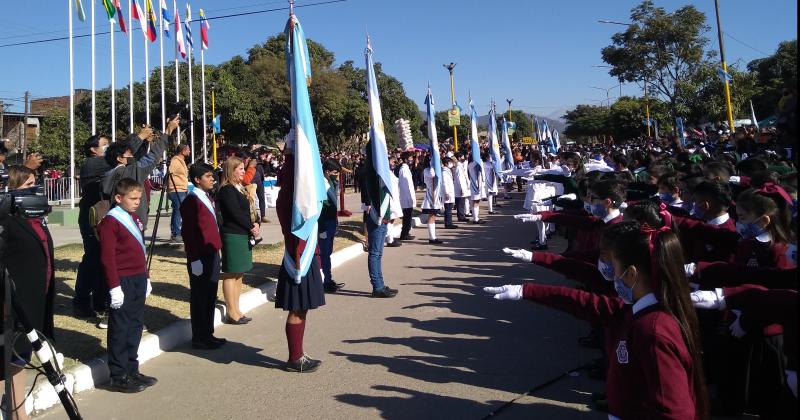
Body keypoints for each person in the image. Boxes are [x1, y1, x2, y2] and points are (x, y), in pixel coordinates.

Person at [485, 221, 709, 419]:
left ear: (631, 274)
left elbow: (675, 412)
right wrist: (525, 291)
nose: (612, 275)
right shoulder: (637, 312)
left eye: (616, 267)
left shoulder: (653, 330)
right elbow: (583, 302)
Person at [0, 166, 56, 420]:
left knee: (20, 358)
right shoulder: (6, 219)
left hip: (34, 301)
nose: (35, 190)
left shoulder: (34, 218)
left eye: (36, 183)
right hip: (12, 303)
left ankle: (18, 412)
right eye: (27, 186)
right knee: (6, 361)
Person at [98, 178, 157, 393]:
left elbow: (140, 249)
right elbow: (108, 258)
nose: (137, 202)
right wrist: (114, 287)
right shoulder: (111, 222)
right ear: (118, 198)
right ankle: (118, 374)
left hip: (138, 277)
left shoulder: (133, 217)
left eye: (139, 198)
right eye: (133, 198)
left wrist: (146, 276)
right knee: (120, 328)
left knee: (134, 325)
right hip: (122, 280)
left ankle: (132, 368)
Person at [274, 135, 325, 372]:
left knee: (302, 307)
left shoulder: (293, 191)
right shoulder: (291, 193)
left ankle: (298, 353)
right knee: (298, 306)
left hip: (305, 251)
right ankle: (295, 357)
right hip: (299, 254)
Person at [180, 163, 226, 350]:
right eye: (208, 176)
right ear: (197, 180)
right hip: (200, 256)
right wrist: (194, 258)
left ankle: (208, 333)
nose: (212, 179)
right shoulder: (192, 200)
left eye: (212, 176)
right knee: (200, 297)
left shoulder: (207, 197)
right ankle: (199, 336)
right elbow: (189, 232)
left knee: (210, 295)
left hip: (211, 252)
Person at [102, 120, 178, 230]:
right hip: (131, 225)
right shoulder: (129, 172)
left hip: (115, 223)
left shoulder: (107, 175)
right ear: (119, 158)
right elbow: (152, 156)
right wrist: (167, 132)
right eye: (128, 153)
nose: (132, 155)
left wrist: (145, 142)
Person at [217, 156, 259, 325]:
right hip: (233, 234)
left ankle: (237, 308)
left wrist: (255, 224)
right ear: (231, 170)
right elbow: (234, 213)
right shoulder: (227, 190)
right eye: (240, 169)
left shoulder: (239, 187)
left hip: (243, 233)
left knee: (239, 272)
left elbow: (247, 210)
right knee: (231, 272)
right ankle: (231, 311)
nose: (244, 171)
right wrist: (250, 226)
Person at [73, 134, 112, 318]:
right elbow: (115, 159)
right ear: (93, 149)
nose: (108, 147)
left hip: (106, 218)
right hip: (92, 220)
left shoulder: (108, 163)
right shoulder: (91, 163)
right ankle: (81, 301)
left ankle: (100, 302)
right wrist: (136, 139)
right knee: (92, 260)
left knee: (103, 261)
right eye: (105, 145)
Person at [319, 159, 345, 293]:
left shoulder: (330, 182)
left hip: (330, 222)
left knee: (328, 252)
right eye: (335, 173)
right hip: (323, 223)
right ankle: (326, 281)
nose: (337, 175)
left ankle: (328, 279)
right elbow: (320, 207)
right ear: (327, 171)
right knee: (324, 254)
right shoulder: (321, 185)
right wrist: (322, 228)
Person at [167, 144, 190, 243]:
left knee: (180, 211)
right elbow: (170, 173)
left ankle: (177, 232)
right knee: (178, 211)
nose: (189, 151)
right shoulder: (175, 161)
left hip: (182, 189)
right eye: (188, 149)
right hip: (176, 189)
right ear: (182, 151)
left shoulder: (182, 161)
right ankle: (176, 233)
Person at [420, 156, 444, 244]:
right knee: (431, 216)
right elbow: (432, 174)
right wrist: (432, 165)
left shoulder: (431, 169)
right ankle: (431, 238)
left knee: (433, 216)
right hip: (431, 196)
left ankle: (433, 237)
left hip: (436, 195)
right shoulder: (427, 170)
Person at [397, 151, 416, 240]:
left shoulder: (406, 168)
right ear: (405, 159)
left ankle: (406, 232)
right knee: (407, 217)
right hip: (406, 197)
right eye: (410, 158)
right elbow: (405, 185)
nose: (412, 159)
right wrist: (409, 197)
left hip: (408, 196)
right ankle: (404, 234)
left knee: (408, 216)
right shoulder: (403, 169)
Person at [468, 151, 487, 224]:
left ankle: (476, 217)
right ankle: (475, 219)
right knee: (475, 201)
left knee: (477, 201)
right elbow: (478, 163)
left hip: (477, 185)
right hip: (474, 185)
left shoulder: (473, 164)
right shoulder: (471, 164)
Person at [453, 153, 471, 222]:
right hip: (460, 187)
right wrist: (462, 188)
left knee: (461, 202)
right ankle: (461, 216)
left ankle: (461, 215)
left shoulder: (459, 166)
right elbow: (459, 178)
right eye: (462, 156)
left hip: (461, 186)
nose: (464, 157)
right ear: (459, 158)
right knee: (460, 203)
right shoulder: (458, 167)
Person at [442, 157, 458, 229]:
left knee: (449, 208)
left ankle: (449, 222)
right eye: (450, 163)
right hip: (447, 193)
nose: (451, 164)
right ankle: (448, 223)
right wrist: (446, 193)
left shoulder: (448, 170)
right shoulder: (444, 172)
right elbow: (445, 183)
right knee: (448, 209)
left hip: (450, 192)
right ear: (446, 163)